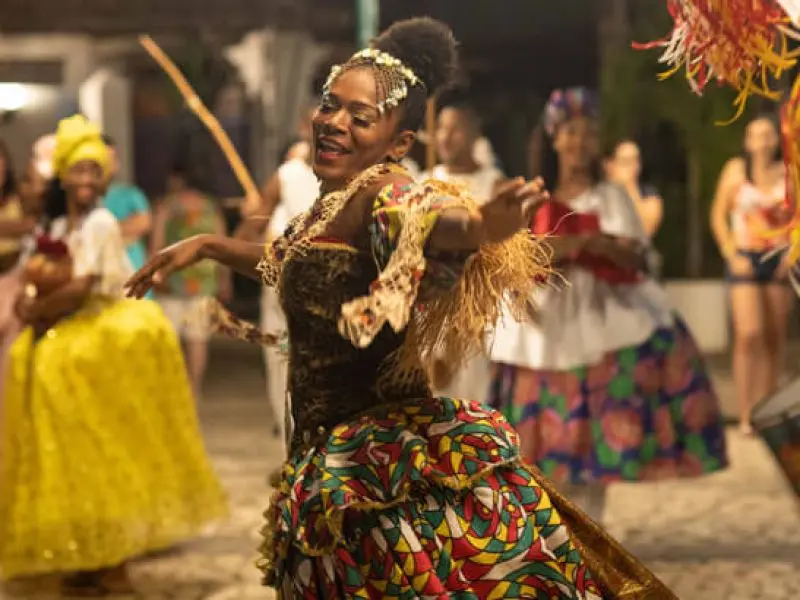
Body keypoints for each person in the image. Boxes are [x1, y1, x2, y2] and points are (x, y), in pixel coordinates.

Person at [128, 19, 677, 599]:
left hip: (374, 472)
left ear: (399, 144)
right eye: (329, 105)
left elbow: (431, 222)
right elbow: (290, 262)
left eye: (359, 117)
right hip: (323, 451)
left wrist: (483, 226)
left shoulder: (385, 191)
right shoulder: (330, 201)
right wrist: (208, 246)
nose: (334, 123)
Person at [0, 115, 227, 596]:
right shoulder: (58, 222)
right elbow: (36, 271)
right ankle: (86, 552)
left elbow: (83, 286)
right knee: (73, 453)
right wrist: (27, 302)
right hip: (67, 335)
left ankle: (112, 558)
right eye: (77, 170)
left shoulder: (102, 221)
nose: (86, 180)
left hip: (102, 339)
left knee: (104, 450)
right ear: (62, 174)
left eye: (94, 171)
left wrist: (38, 308)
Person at [489, 88, 727, 523]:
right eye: (572, 132)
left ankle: (592, 541)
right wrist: (585, 243)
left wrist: (581, 245)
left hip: (603, 326)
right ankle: (552, 539)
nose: (580, 142)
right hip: (544, 331)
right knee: (542, 452)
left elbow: (636, 256)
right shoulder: (532, 196)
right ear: (554, 137)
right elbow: (516, 257)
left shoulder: (613, 196)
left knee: (593, 449)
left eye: (589, 133)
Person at [710, 113, 793, 435]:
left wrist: (793, 253)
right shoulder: (735, 171)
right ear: (746, 141)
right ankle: (745, 412)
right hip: (744, 256)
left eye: (767, 134)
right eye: (755, 135)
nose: (761, 141)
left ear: (777, 138)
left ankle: (768, 413)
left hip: (779, 257)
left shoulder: (789, 172)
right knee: (749, 334)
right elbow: (718, 214)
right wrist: (730, 252)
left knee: (774, 338)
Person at [236, 138, 319, 445]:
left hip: (329, 295)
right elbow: (248, 234)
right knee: (281, 359)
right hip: (283, 289)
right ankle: (291, 439)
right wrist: (254, 216)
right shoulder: (288, 175)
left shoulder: (358, 176)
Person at [423, 99, 504, 398]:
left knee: (473, 405)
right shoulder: (426, 182)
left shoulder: (493, 184)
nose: (444, 136)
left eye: (454, 129)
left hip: (477, 313)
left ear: (474, 135)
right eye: (441, 128)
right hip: (432, 310)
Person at [152, 162, 231, 399]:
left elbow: (157, 242)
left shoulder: (167, 206)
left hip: (172, 281)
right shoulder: (210, 207)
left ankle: (174, 388)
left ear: (177, 180)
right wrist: (225, 280)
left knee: (171, 339)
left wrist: (152, 273)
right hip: (203, 282)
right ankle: (193, 389)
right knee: (198, 339)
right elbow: (223, 243)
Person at [101, 135, 152, 272]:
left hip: (134, 276)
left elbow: (143, 223)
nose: (108, 164)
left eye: (111, 159)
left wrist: (100, 234)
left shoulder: (131, 194)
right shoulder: (84, 200)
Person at [605, 139, 664, 238]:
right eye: (625, 162)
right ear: (610, 166)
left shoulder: (650, 196)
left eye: (635, 161)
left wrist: (629, 189)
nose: (633, 168)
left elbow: (643, 231)